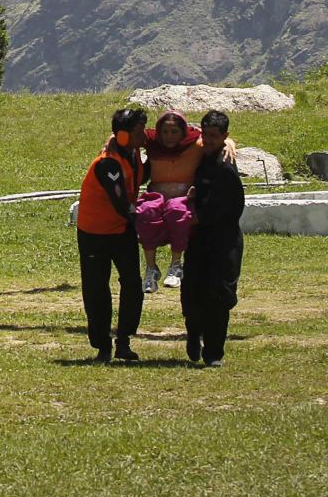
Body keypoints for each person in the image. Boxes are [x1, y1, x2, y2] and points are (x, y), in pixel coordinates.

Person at [77, 107, 148, 363]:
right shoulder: (107, 163)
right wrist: (150, 220)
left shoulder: (131, 150)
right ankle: (102, 345)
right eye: (139, 132)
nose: (145, 137)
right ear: (124, 135)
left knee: (132, 284)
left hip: (122, 229)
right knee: (97, 288)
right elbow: (120, 202)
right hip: (94, 232)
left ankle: (124, 340)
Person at [182, 110, 246, 367]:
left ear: (224, 136)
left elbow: (231, 208)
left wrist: (202, 217)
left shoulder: (225, 166)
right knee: (193, 291)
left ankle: (213, 353)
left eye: (214, 137)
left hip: (223, 240)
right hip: (198, 240)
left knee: (219, 297)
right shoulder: (201, 157)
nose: (208, 141)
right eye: (205, 135)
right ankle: (193, 333)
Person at [136, 110, 203, 292]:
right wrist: (109, 141)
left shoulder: (196, 143)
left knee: (177, 211)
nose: (169, 137)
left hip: (183, 197)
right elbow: (124, 133)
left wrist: (229, 143)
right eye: (165, 132)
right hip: (157, 195)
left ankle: (175, 265)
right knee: (144, 212)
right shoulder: (152, 143)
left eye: (174, 132)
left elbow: (219, 139)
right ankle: (151, 269)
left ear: (183, 132)